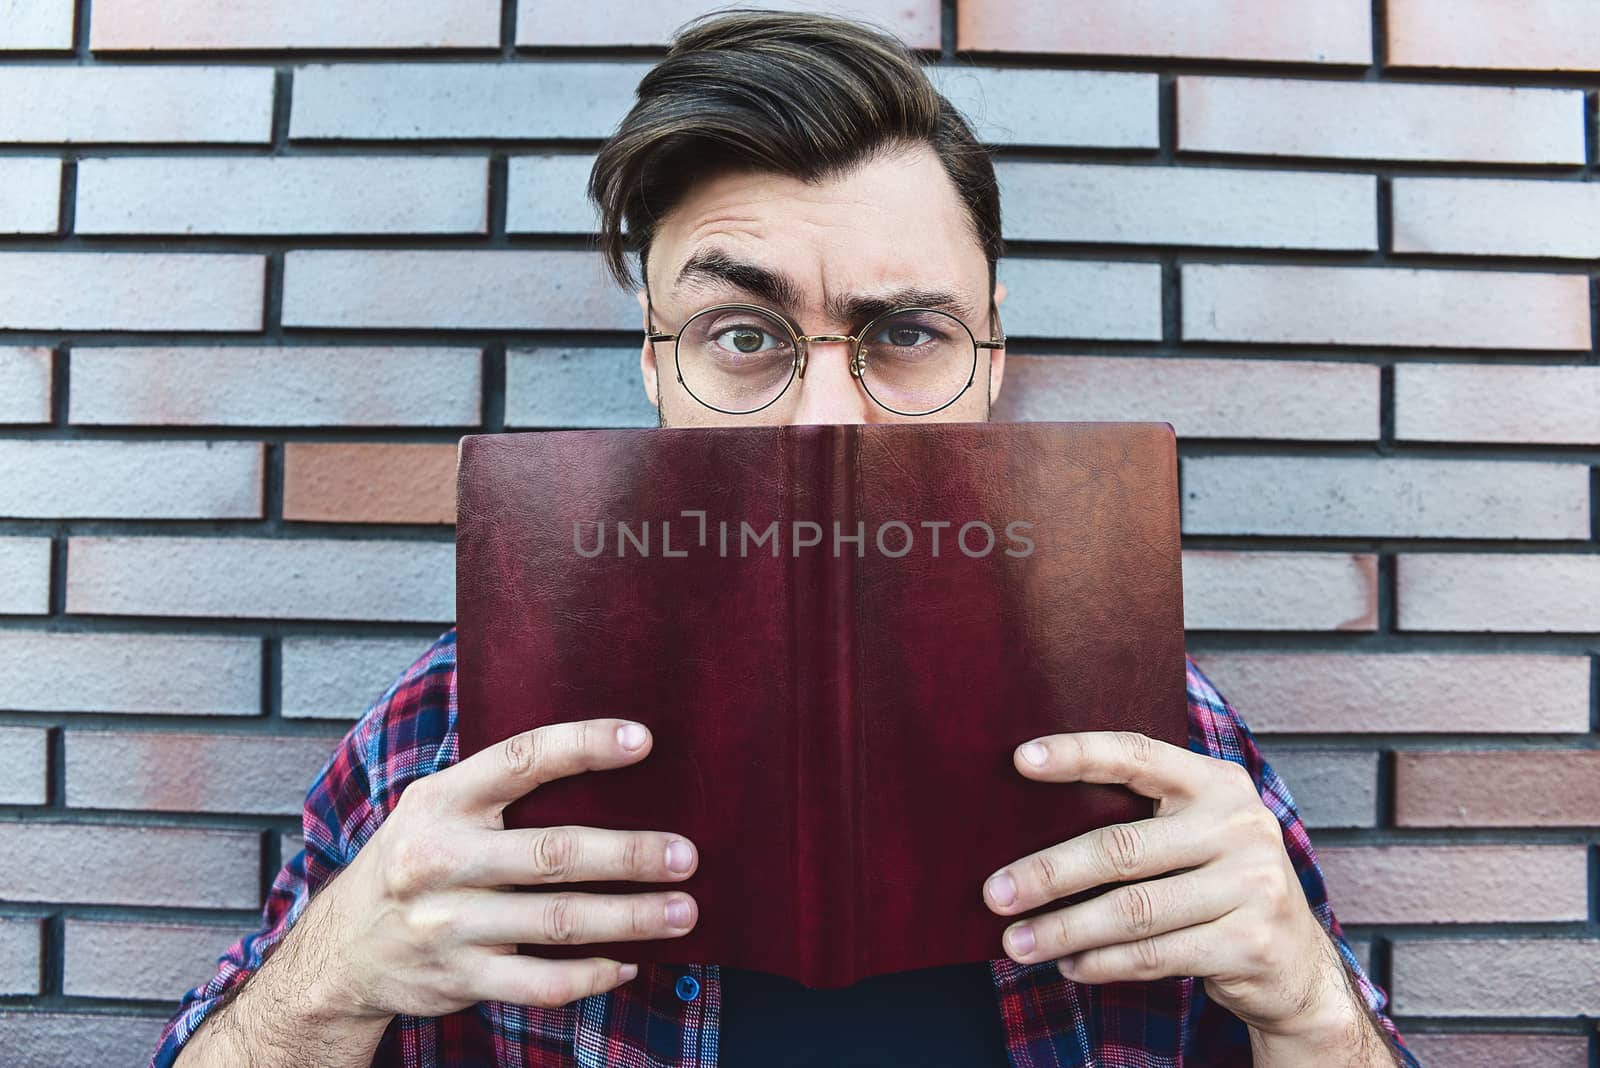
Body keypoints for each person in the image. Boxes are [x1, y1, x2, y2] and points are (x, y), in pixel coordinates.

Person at [152, 10, 1419, 1067]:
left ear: (991, 361)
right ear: (654, 366)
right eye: (744, 337)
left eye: (906, 335)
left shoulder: (1168, 745)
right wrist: (325, 987)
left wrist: (1309, 1008)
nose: (824, 418)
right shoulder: (442, 733)